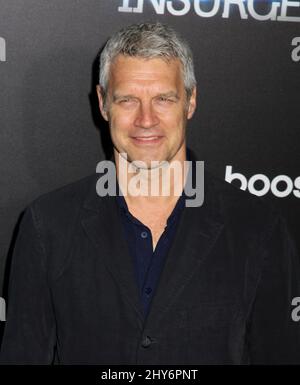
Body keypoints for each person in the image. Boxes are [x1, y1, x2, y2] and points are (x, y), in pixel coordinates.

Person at [0, 22, 299, 365]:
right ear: (102, 103)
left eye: (163, 99)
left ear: (190, 101)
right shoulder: (47, 225)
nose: (146, 120)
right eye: (127, 99)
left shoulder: (257, 228)